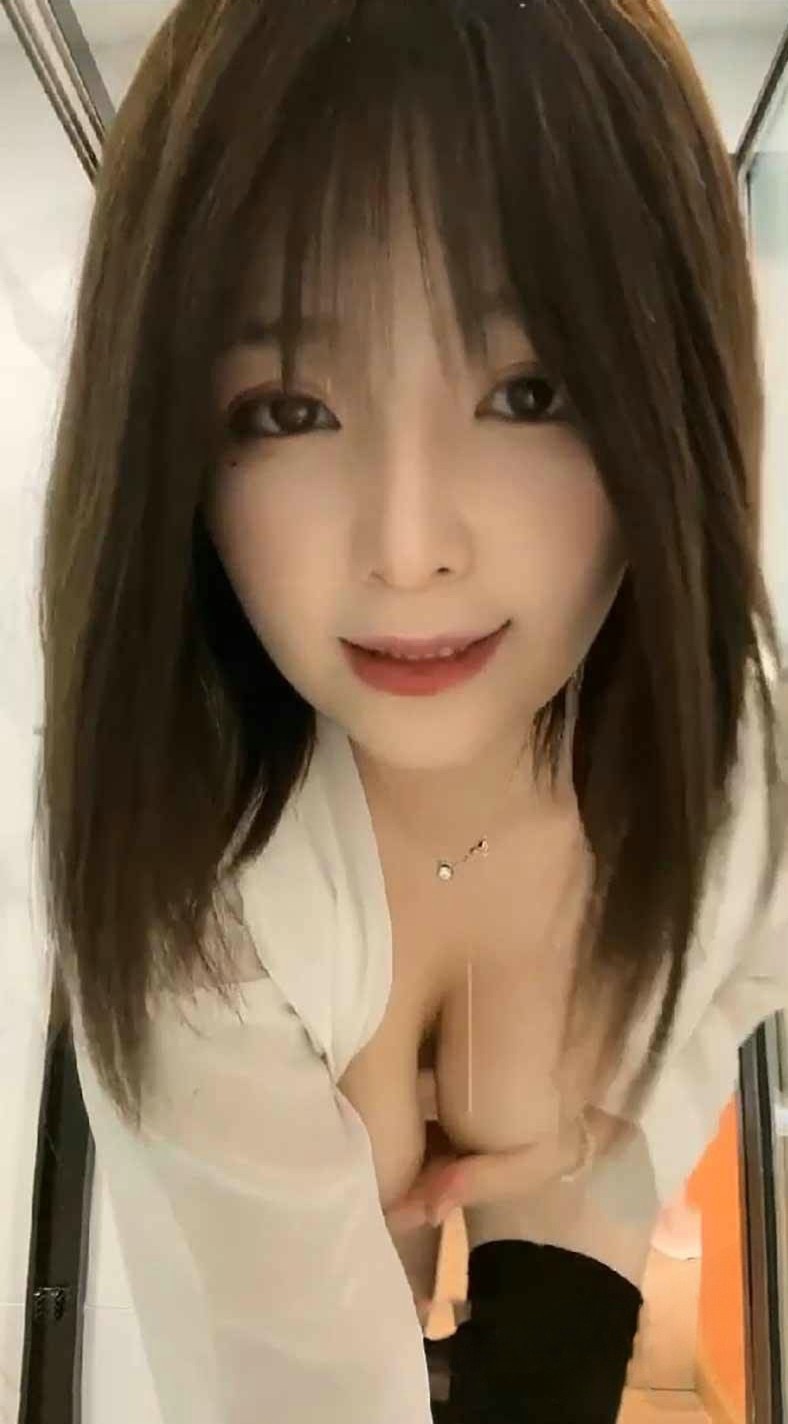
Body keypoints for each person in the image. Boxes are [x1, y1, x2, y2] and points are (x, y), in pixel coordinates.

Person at [34, 1, 787, 1421]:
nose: (407, 547)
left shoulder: (735, 770)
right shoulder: (199, 877)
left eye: (529, 390)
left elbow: (746, 962)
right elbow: (285, 1384)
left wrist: (596, 1165)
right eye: (286, 408)